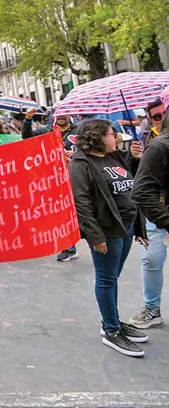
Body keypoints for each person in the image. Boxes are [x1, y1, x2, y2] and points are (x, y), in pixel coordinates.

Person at [69, 119, 148, 356]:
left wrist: (134, 158)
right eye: (113, 134)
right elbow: (81, 203)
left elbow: (127, 183)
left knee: (113, 277)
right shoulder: (81, 164)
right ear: (98, 137)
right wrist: (95, 236)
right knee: (106, 278)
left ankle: (112, 321)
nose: (117, 137)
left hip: (126, 226)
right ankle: (111, 329)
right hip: (107, 230)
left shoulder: (113, 156)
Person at [129, 95, 169, 330]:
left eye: (163, 114)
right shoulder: (153, 143)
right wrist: (134, 159)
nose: (160, 119)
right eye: (156, 116)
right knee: (152, 259)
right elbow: (139, 187)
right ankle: (151, 308)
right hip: (158, 214)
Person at [23, 107, 81, 262]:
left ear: (69, 114)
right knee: (62, 213)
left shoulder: (79, 131)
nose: (60, 117)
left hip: (77, 176)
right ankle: (68, 247)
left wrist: (76, 154)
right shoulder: (47, 131)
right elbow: (27, 138)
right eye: (57, 114)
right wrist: (28, 119)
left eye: (63, 113)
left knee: (79, 211)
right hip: (55, 179)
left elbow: (89, 148)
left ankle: (85, 241)